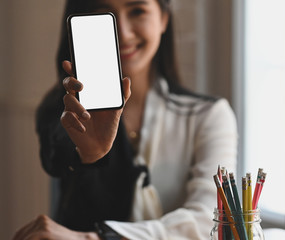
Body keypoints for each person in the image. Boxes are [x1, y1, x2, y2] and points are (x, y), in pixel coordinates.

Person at [13, 0, 237, 239]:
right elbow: (60, 169)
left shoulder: (208, 116)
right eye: (102, 13)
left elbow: (209, 222)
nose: (122, 31)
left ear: (163, 18)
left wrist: (96, 238)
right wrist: (90, 156)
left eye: (138, 11)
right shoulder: (64, 112)